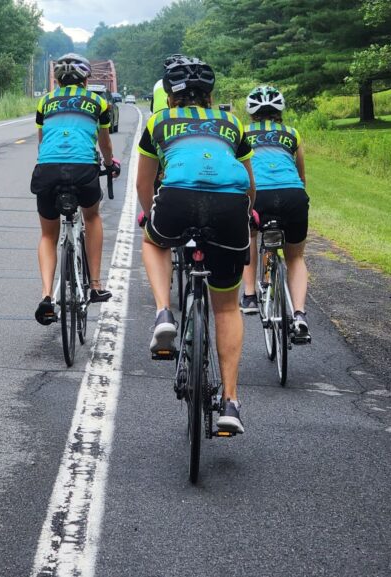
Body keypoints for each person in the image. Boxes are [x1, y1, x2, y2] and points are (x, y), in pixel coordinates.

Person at [137, 57, 256, 434]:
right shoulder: (232, 123)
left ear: (169, 95)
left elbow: (144, 183)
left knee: (153, 241)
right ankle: (231, 402)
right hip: (229, 208)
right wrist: (245, 215)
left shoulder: (158, 122)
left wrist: (150, 217)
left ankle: (163, 314)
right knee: (227, 307)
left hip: (176, 200)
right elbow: (249, 185)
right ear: (210, 95)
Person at [32, 53, 120, 325]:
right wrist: (110, 164)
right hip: (83, 169)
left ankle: (47, 296)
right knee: (91, 217)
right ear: (85, 80)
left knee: (48, 235)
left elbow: (41, 140)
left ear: (57, 81)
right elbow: (105, 143)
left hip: (47, 168)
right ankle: (95, 285)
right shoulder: (98, 102)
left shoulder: (45, 101)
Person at [239, 86, 310, 340]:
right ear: (280, 110)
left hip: (259, 195)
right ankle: (299, 314)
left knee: (250, 236)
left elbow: (238, 170)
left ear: (251, 112)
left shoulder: (243, 133)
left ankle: (249, 296)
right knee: (296, 257)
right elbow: (301, 175)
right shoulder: (291, 134)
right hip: (293, 196)